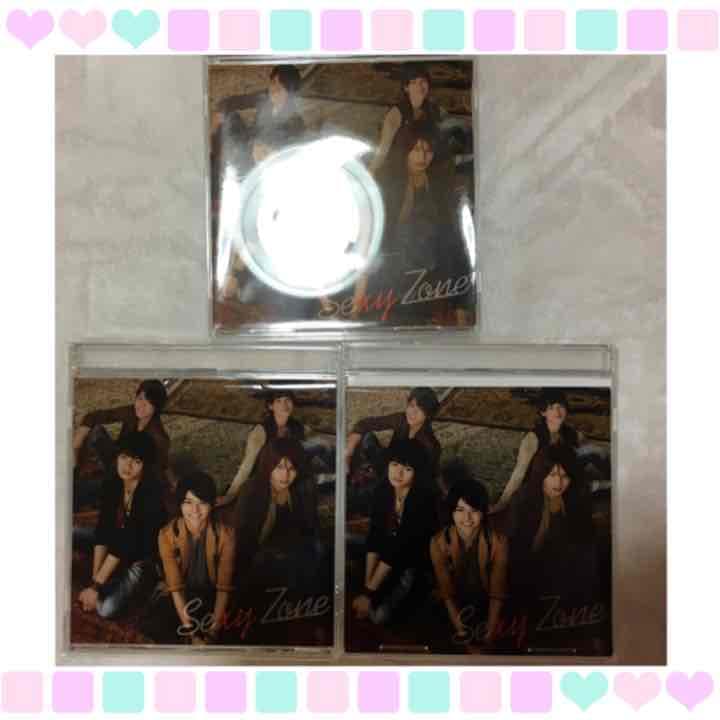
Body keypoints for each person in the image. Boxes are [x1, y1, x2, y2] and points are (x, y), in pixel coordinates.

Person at [507, 444, 597, 649]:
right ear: (541, 474)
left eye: (564, 476)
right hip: (529, 574)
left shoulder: (576, 501)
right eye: (552, 475)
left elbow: (584, 546)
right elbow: (515, 554)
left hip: (566, 573)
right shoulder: (523, 501)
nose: (558, 483)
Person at [75, 432, 167, 619]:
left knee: (105, 609)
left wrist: (96, 587)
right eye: (124, 457)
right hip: (116, 541)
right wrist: (96, 582)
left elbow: (125, 544)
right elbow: (103, 530)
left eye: (136, 461)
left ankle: (143, 583)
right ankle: (110, 578)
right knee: (71, 533)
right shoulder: (113, 482)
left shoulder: (151, 494)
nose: (127, 466)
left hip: (141, 557)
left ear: (145, 465)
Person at [352, 439, 438, 626]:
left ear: (417, 472)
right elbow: (374, 535)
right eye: (394, 464)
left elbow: (400, 548)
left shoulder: (423, 499)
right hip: (387, 549)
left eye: (407, 469)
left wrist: (369, 594)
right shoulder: (383, 490)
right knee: (345, 541)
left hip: (413, 560)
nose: (398, 473)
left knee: (379, 616)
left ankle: (424, 594)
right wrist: (368, 587)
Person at [144, 472, 235, 644]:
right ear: (180, 504)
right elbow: (176, 588)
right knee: (157, 623)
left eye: (202, 503)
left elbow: (223, 589)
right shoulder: (166, 534)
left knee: (235, 626)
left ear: (212, 504)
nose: (195, 510)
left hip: (211, 594)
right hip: (182, 594)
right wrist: (191, 633)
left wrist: (212, 633)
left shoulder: (226, 535)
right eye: (188, 502)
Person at [492, 389, 610, 513]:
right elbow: (519, 473)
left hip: (564, 480)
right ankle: (591, 487)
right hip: (543, 485)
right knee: (594, 468)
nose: (558, 412)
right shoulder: (533, 438)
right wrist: (502, 503)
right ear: (543, 412)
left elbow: (592, 455)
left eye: (561, 407)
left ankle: (603, 482)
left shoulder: (572, 434)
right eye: (551, 408)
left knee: (596, 451)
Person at [430, 461, 508, 646]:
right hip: (454, 605)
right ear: (451, 512)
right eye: (460, 510)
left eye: (474, 511)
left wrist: (489, 634)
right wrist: (462, 633)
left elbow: (497, 592)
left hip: (485, 601)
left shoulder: (498, 542)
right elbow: (447, 593)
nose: (467, 518)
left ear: (484, 512)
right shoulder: (438, 542)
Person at [233, 437, 326, 593]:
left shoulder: (303, 488)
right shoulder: (252, 490)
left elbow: (310, 528)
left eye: (292, 468)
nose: (285, 475)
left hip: (294, 553)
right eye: (279, 467)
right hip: (260, 558)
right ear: (268, 466)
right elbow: (243, 542)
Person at [218, 390, 333, 507]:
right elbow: (247, 465)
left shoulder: (298, 427)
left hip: (289, 475)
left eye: (288, 400)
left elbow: (315, 445)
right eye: (279, 401)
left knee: (322, 447)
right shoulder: (260, 431)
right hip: (267, 477)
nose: (284, 405)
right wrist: (231, 494)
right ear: (271, 406)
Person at [73, 380, 170, 509]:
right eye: (140, 398)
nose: (141, 405)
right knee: (95, 431)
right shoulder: (132, 412)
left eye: (149, 403)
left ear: (157, 408)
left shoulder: (159, 438)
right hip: (116, 458)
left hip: (126, 477)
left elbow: (156, 474)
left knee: (76, 492)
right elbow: (96, 416)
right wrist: (79, 439)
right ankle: (76, 471)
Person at [368, 63, 443, 177]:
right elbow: (383, 148)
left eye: (423, 81)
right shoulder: (396, 113)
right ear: (406, 88)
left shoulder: (432, 109)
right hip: (397, 167)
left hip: (423, 163)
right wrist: (370, 172)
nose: (419, 86)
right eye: (413, 82)